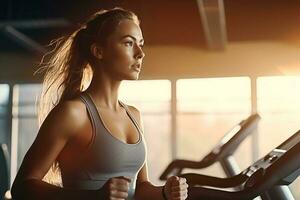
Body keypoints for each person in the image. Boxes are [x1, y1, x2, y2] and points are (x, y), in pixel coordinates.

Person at [11, 7, 189, 200]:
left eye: (141, 44)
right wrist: (93, 197)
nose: (140, 54)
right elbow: (22, 187)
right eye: (129, 43)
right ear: (98, 51)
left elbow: (140, 189)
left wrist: (166, 192)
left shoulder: (134, 115)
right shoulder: (73, 113)